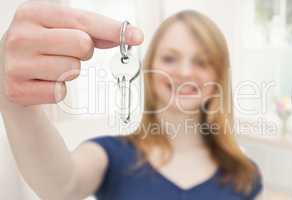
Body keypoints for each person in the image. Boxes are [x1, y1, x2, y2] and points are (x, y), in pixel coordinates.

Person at [0, 1, 263, 200]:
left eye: (201, 61)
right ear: (149, 71)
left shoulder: (245, 173)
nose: (184, 71)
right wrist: (15, 99)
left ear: (218, 75)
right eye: (170, 58)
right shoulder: (111, 155)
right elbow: (60, 185)